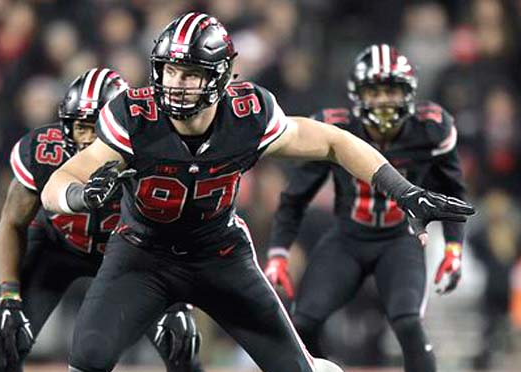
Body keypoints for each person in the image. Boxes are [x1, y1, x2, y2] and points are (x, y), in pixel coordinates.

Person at [40, 14, 474, 372]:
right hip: (142, 254)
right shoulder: (134, 114)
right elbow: (57, 184)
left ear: (221, 76)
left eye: (190, 73)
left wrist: (403, 191)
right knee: (88, 359)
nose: (176, 83)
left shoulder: (248, 114)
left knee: (297, 370)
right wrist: (80, 197)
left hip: (219, 255)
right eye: (170, 70)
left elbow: (334, 141)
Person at [263, 44, 468, 372]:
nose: (384, 100)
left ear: (408, 93)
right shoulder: (336, 128)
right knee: (303, 323)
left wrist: (454, 247)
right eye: (375, 91)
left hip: (401, 240)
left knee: (408, 324)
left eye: (391, 90)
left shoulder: (430, 128)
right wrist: (278, 252)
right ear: (358, 95)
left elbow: (453, 190)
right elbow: (295, 196)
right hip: (348, 239)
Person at [0, 68, 202, 372]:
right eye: (81, 127)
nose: (88, 139)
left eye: (98, 127)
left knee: (180, 346)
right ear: (65, 126)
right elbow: (12, 222)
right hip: (57, 247)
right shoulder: (43, 152)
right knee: (7, 347)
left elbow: (179, 229)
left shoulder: (151, 153)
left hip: (130, 258)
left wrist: (180, 303)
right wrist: (9, 296)